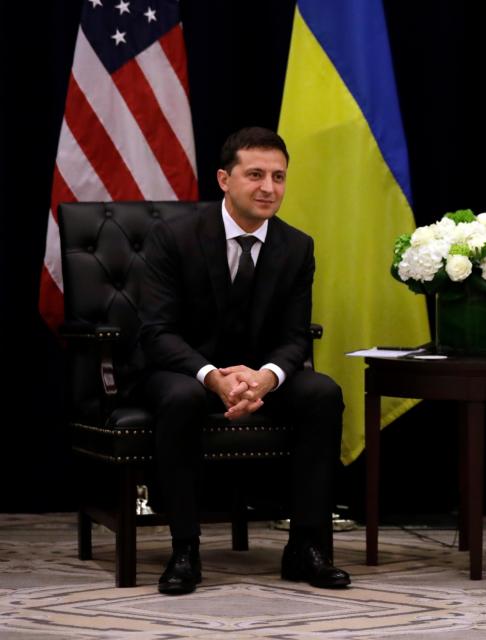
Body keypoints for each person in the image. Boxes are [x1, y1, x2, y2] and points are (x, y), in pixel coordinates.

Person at [134, 127, 350, 595]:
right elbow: (157, 332)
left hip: (257, 373)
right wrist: (213, 377)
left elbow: (296, 336)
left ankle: (306, 546)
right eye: (254, 175)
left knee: (322, 394)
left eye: (278, 176)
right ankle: (185, 549)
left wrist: (266, 379)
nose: (268, 188)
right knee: (182, 398)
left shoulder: (297, 246)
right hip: (183, 371)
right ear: (223, 179)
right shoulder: (173, 237)